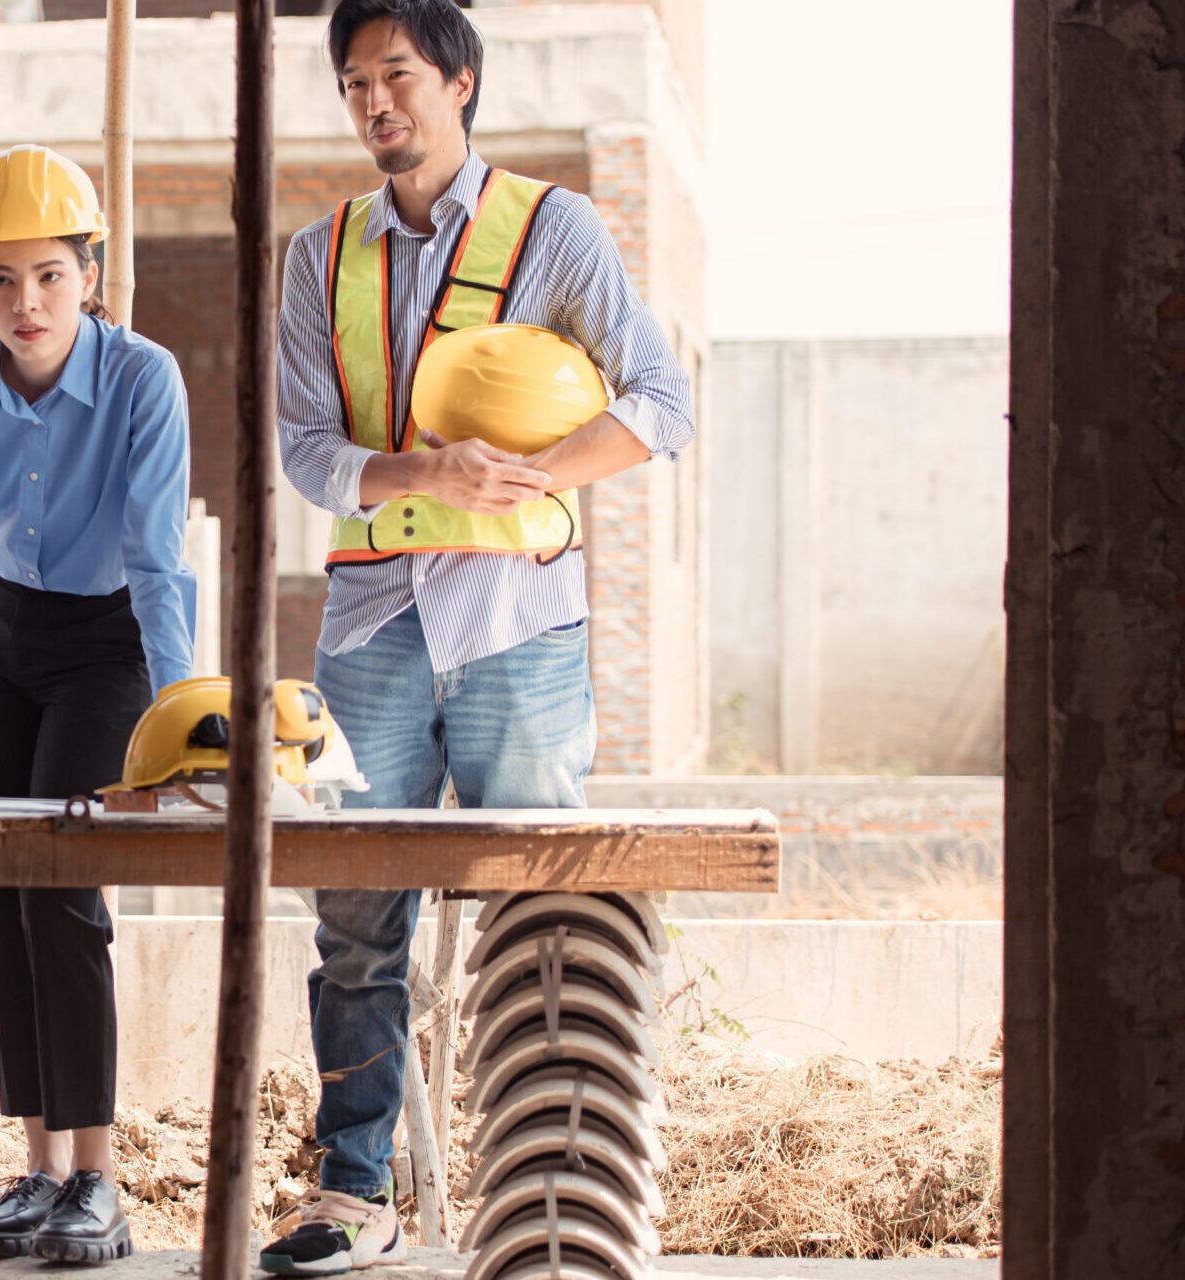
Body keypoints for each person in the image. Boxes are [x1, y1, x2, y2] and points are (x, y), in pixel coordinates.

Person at [257, 2, 694, 1274]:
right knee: (354, 924)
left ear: (458, 82)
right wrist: (423, 469)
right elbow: (302, 447)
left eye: (395, 75)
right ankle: (353, 1189)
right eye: (353, 84)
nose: (374, 102)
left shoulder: (551, 229)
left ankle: (547, 1204)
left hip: (517, 627)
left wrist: (534, 469)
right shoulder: (314, 256)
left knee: (542, 917)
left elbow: (659, 401)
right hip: (372, 629)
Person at [0, 144, 196, 1266]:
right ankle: (38, 1170)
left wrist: (176, 727)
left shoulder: (143, 378)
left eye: (50, 277)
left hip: (106, 637)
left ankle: (99, 1182)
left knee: (66, 886)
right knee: (1, 884)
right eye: (1, 277)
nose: (25, 303)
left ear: (90, 274)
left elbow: (162, 561)